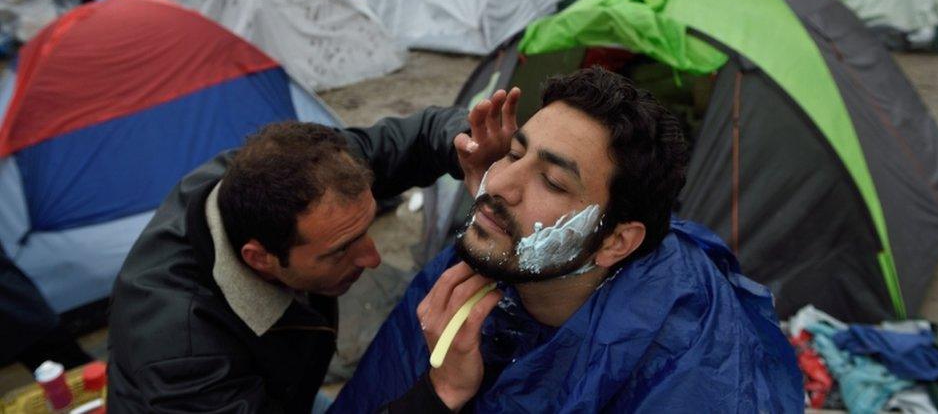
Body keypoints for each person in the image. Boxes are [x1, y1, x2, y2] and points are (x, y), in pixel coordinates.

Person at [332, 68, 803, 413]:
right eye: (515, 153)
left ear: (616, 242)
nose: (498, 186)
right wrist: (437, 395)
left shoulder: (690, 380)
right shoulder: (488, 261)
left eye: (553, 183)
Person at [106, 95, 520, 413]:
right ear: (260, 259)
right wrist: (442, 392)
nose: (373, 258)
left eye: (367, 226)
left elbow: (419, 135)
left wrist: (472, 149)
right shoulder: (185, 355)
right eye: (341, 249)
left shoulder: (294, 175)